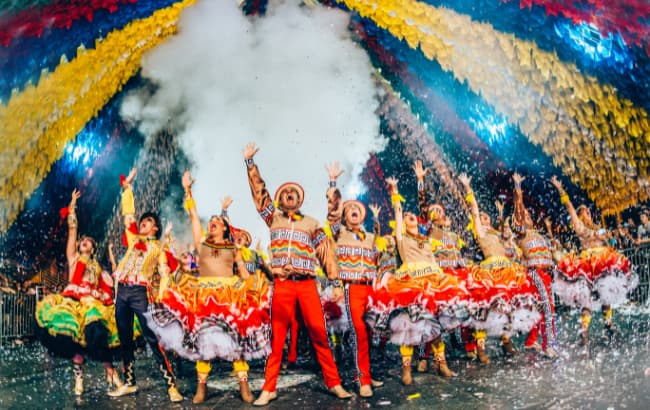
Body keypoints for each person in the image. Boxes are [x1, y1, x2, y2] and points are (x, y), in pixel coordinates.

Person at [243, 142, 351, 406]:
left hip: (306, 285)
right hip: (282, 284)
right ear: (280, 200)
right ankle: (269, 388)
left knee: (319, 333)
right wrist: (250, 164)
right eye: (285, 192)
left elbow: (328, 248)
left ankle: (334, 383)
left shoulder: (312, 224)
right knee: (277, 337)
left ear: (300, 199)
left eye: (294, 192)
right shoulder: (273, 218)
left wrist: (332, 185)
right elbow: (259, 194)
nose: (289, 194)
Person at [147, 172, 270, 404]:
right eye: (211, 220)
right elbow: (194, 216)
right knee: (204, 339)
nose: (212, 221)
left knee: (235, 339)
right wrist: (187, 191)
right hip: (204, 295)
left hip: (230, 294)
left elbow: (243, 272)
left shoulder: (233, 248)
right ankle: (201, 387)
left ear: (224, 228)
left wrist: (253, 288)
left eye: (217, 221)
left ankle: (243, 384)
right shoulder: (202, 243)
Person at [35, 189, 122, 396]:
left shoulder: (97, 267)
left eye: (88, 242)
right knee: (76, 345)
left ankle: (112, 374)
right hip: (74, 303)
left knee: (98, 341)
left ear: (93, 248)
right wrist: (72, 206)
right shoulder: (74, 258)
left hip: (93, 304)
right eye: (83, 240)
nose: (85, 241)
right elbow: (73, 229)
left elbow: (106, 286)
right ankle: (79, 380)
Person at [107, 168, 182, 402]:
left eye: (148, 222)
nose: (142, 224)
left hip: (141, 293)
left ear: (155, 228)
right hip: (122, 293)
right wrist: (127, 188)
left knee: (152, 338)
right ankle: (130, 382)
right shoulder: (133, 240)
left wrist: (162, 296)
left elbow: (165, 273)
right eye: (143, 222)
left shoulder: (159, 248)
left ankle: (171, 385)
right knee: (125, 339)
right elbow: (128, 214)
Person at [459, 174, 540, 362]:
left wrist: (515, 192)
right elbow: (474, 211)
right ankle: (480, 348)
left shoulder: (496, 234)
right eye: (482, 218)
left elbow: (508, 230)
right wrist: (468, 189)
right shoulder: (479, 232)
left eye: (486, 217)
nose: (485, 219)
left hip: (507, 270)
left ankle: (506, 340)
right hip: (490, 271)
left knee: (508, 307)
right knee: (484, 309)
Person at [550, 176, 637, 348]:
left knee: (606, 295)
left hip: (603, 261)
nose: (588, 213)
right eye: (584, 212)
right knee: (587, 300)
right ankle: (583, 332)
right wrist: (561, 190)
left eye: (588, 211)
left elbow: (608, 238)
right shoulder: (579, 226)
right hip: (588, 265)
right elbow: (570, 208)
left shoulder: (597, 227)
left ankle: (608, 324)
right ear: (580, 216)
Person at [324, 162, 384, 397]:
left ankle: (365, 373)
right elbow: (332, 214)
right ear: (345, 218)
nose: (353, 210)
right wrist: (333, 184)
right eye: (348, 209)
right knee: (358, 330)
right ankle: (363, 380)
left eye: (356, 208)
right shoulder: (339, 233)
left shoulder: (369, 237)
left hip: (371, 289)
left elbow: (379, 256)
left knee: (369, 332)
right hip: (352, 289)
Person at [511, 173, 558, 357]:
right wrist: (518, 190)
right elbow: (518, 212)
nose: (527, 216)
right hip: (535, 273)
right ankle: (548, 345)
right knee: (547, 307)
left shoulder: (538, 234)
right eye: (525, 215)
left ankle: (531, 341)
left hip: (545, 274)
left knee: (539, 307)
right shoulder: (522, 233)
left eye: (529, 215)